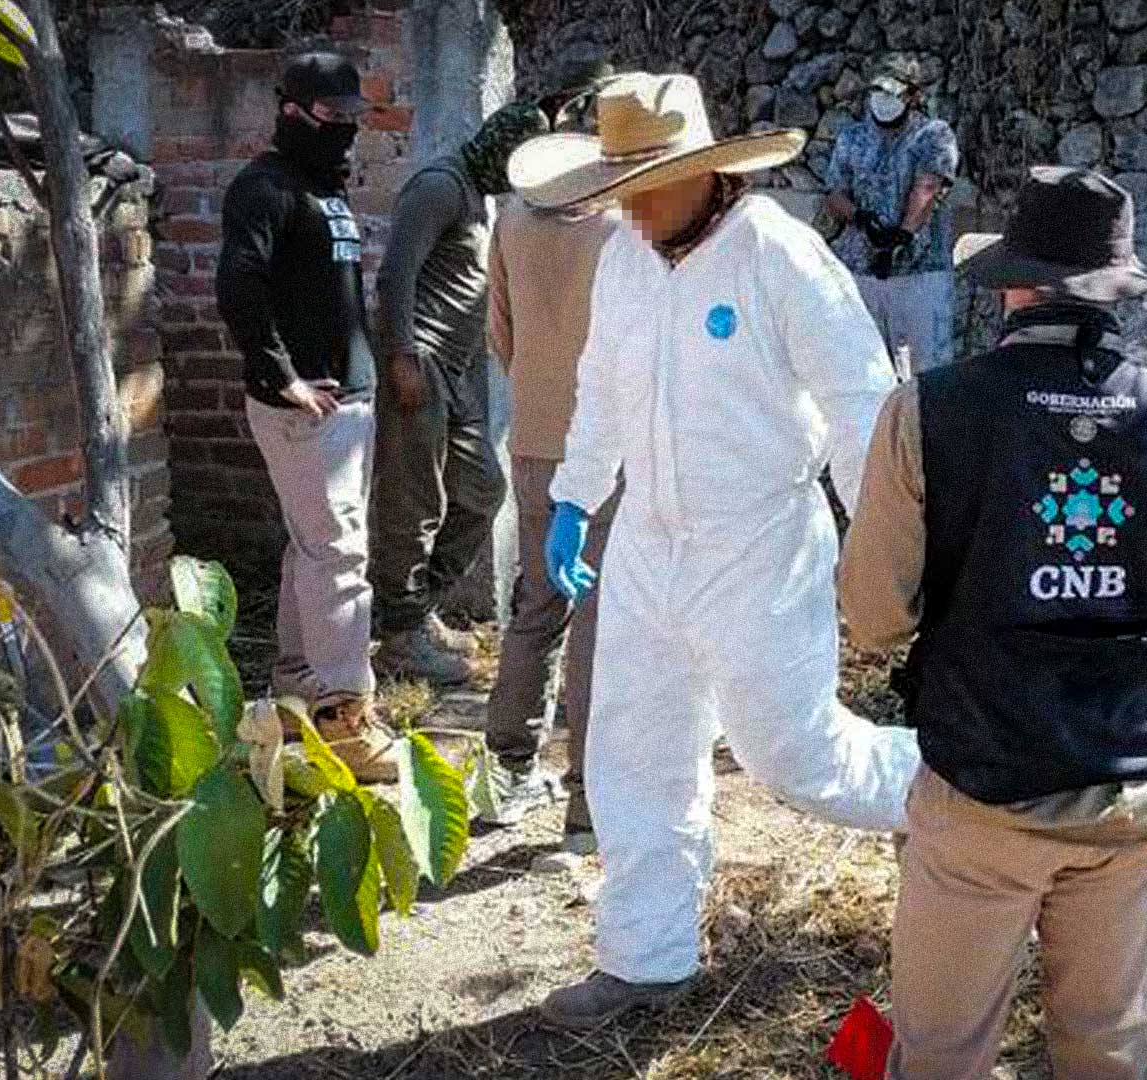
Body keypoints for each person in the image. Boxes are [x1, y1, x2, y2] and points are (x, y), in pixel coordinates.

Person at [838, 166, 1147, 1079]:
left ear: (1014, 287)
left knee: (943, 1055)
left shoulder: (928, 410)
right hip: (1132, 793)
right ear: (1113, 292)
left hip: (981, 792)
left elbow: (873, 619)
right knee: (1108, 1051)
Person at [508, 71, 921, 1029]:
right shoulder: (624, 257)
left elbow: (862, 403)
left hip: (760, 543)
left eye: (646, 188)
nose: (631, 209)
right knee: (632, 752)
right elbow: (600, 389)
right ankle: (645, 957)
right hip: (647, 542)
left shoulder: (778, 253)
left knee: (797, 758)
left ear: (705, 173)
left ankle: (955, 792)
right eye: (619, 189)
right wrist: (574, 498)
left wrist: (886, 544)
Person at [217, 52, 396, 781]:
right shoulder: (264, 188)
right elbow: (238, 283)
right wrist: (280, 375)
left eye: (354, 116)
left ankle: (295, 689)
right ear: (291, 112)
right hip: (307, 409)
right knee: (339, 555)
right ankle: (345, 718)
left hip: (349, 399)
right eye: (332, 116)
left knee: (313, 548)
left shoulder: (324, 186)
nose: (346, 129)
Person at [481, 63, 619, 851]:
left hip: (535, 437)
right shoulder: (622, 232)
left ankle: (504, 770)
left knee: (536, 606)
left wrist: (537, 390)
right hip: (608, 447)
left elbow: (499, 334)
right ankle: (587, 803)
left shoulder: (511, 220)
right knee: (599, 620)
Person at [368, 103, 549, 684]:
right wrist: (401, 356)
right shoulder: (439, 187)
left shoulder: (479, 195)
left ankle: (418, 607)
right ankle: (400, 636)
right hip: (419, 363)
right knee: (414, 504)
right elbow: (395, 275)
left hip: (454, 371)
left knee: (481, 489)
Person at [822, 56, 960, 378]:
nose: (883, 100)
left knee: (930, 373)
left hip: (921, 274)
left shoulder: (933, 135)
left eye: (893, 93)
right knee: (865, 371)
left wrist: (901, 238)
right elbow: (835, 192)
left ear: (912, 96)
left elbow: (927, 187)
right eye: (878, 91)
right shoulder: (852, 137)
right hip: (863, 274)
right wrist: (860, 218)